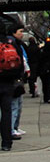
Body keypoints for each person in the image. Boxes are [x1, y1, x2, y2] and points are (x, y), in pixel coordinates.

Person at [0, 17, 26, 151]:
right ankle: (6, 142)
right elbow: (19, 63)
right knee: (7, 112)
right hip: (8, 82)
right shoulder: (12, 43)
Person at [37, 34, 50, 104]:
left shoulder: (42, 52)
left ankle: (46, 97)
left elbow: (39, 61)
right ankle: (49, 97)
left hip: (43, 70)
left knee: (45, 84)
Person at [26, 33, 40, 98]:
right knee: (35, 79)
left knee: (30, 79)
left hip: (30, 64)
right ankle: (36, 90)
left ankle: (32, 90)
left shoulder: (28, 48)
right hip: (36, 64)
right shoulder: (36, 48)